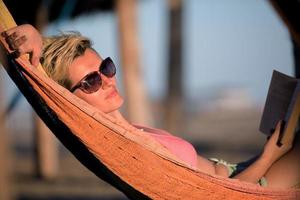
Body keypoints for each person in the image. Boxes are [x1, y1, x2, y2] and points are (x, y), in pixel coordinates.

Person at [1, 24, 300, 189]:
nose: (106, 80)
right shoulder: (128, 148)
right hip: (251, 187)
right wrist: (269, 156)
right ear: (69, 99)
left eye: (106, 67)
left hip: (242, 173)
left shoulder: (129, 129)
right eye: (90, 81)